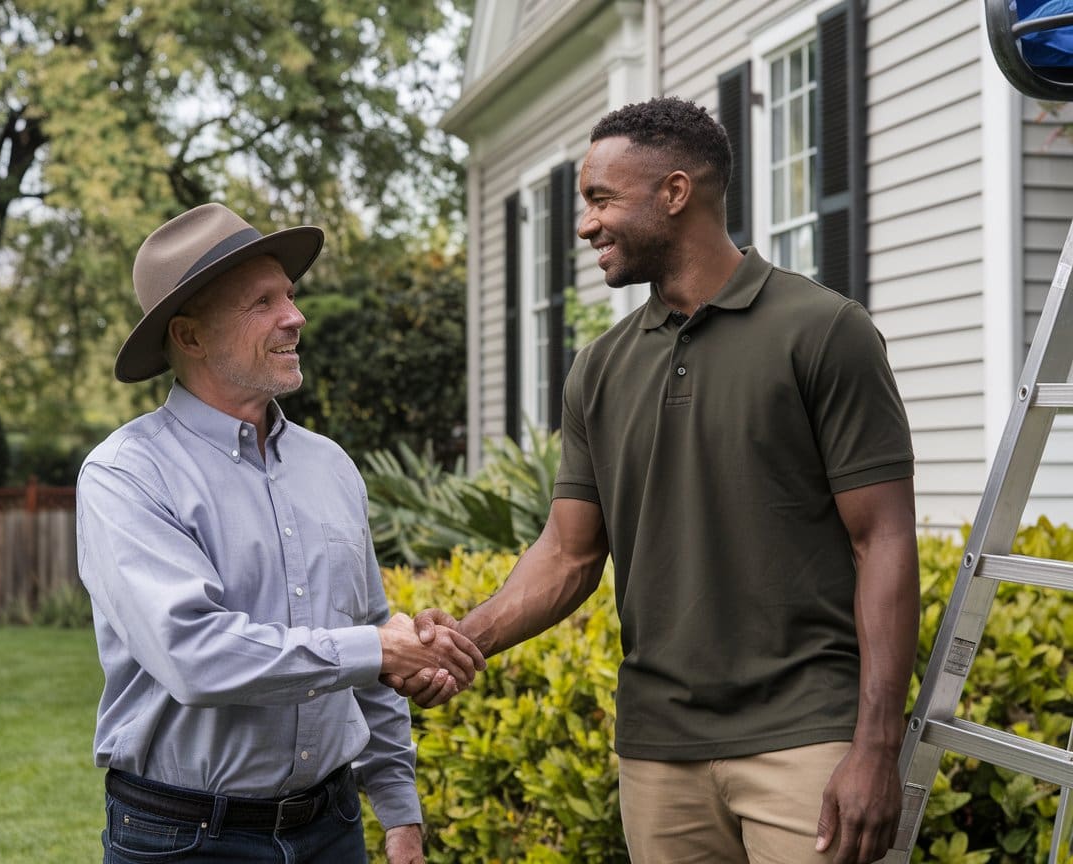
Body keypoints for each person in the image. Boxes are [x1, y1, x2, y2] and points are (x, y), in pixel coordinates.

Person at [387, 96, 920, 864]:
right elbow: (569, 554)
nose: (586, 224)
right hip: (657, 753)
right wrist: (463, 642)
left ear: (675, 193)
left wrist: (875, 746)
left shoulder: (823, 331)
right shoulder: (598, 370)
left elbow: (885, 539)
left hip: (806, 741)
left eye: (602, 199)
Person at [76, 202, 485, 864]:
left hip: (333, 828)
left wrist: (399, 811)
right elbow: (196, 654)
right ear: (190, 336)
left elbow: (368, 630)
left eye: (290, 295)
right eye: (261, 302)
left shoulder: (330, 467)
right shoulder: (127, 476)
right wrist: (380, 650)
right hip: (186, 841)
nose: (295, 317)